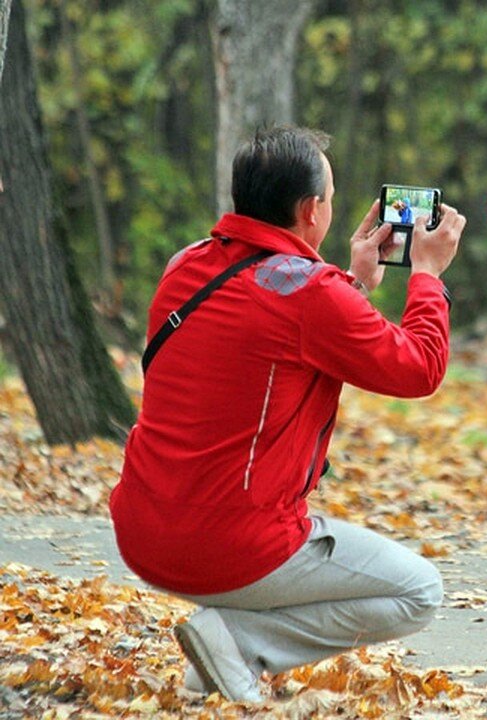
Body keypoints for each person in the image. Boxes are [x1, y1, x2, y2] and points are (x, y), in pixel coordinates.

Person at [110, 125, 466, 702]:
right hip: (231, 546)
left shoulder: (185, 265)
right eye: (330, 195)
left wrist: (353, 283)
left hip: (142, 531)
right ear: (311, 210)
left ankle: (216, 659)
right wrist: (427, 275)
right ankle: (237, 641)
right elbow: (419, 368)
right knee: (418, 591)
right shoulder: (312, 294)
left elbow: (268, 334)